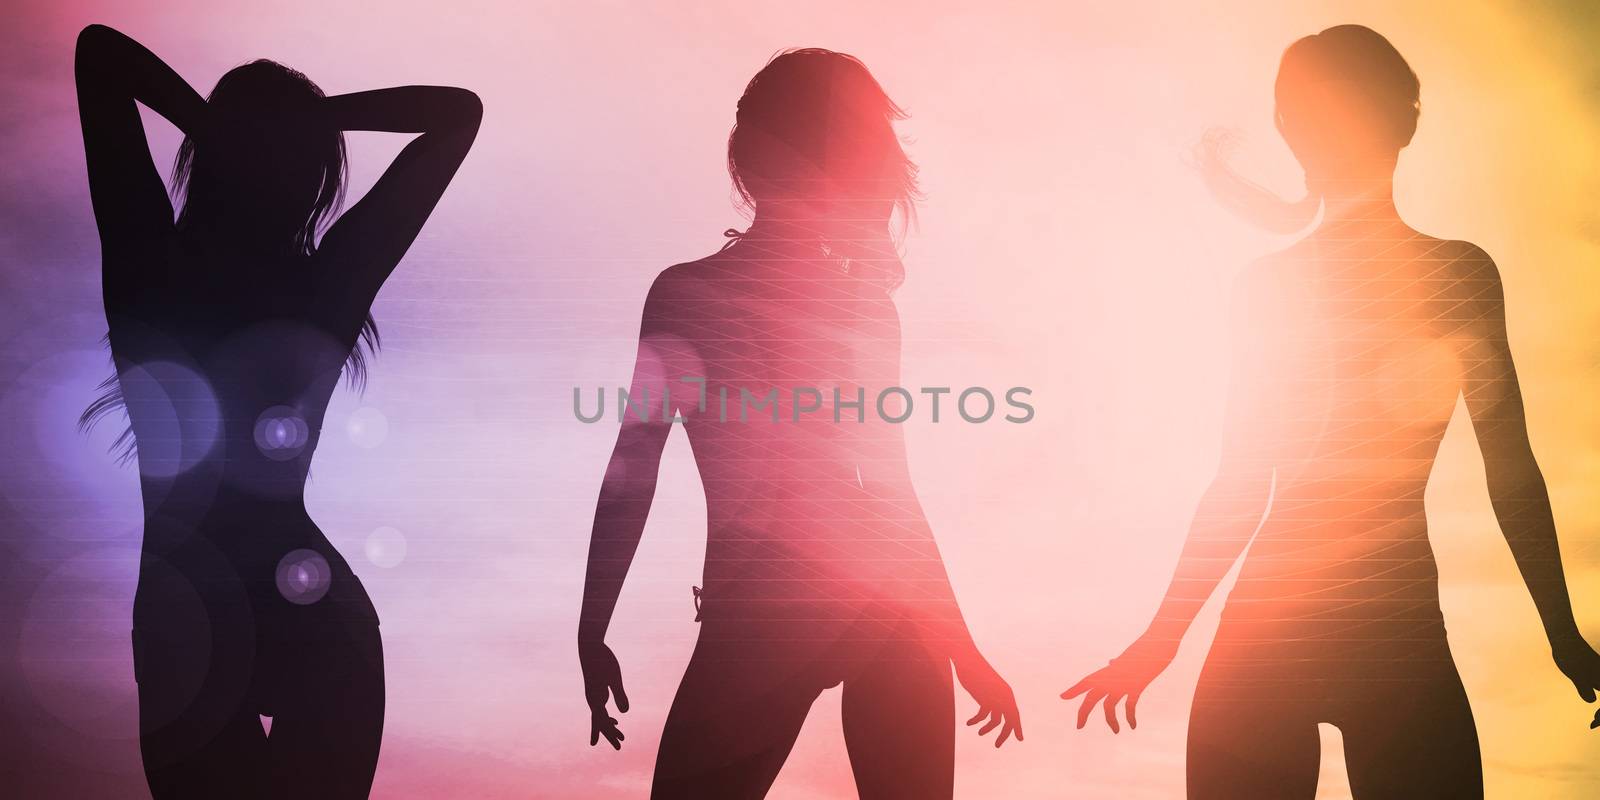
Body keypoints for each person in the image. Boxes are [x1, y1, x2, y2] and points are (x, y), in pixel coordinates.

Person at [1063, 25, 1600, 799]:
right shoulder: (1450, 276)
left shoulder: (1309, 285)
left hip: (1302, 636)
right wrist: (1560, 634)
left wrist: (1162, 640)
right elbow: (1507, 469)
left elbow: (1244, 485)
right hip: (1378, 635)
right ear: (1406, 122)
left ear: (1294, 132)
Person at [578, 48, 1020, 799]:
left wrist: (593, 624)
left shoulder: (688, 294)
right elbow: (891, 496)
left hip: (763, 607)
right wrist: (963, 648)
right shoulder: (861, 309)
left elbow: (634, 467)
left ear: (747, 163)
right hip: (879, 602)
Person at [74, 24, 480, 797]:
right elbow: (456, 115)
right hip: (303, 606)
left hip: (182, 609)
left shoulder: (148, 268)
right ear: (314, 177)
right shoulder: (325, 288)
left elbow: (100, 53)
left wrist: (221, 127)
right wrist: (313, 123)